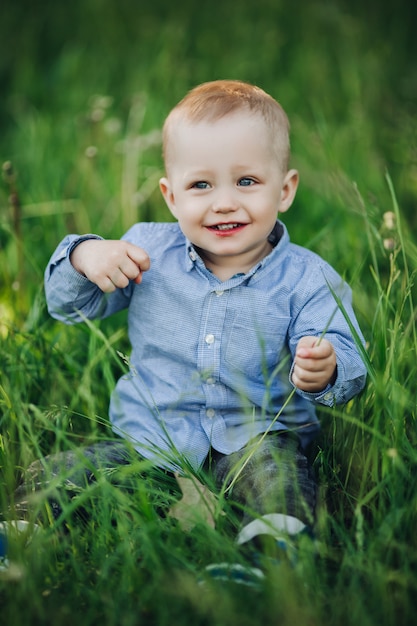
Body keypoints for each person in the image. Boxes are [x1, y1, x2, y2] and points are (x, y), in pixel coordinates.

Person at [12, 80, 367, 580]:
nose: (224, 202)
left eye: (246, 182)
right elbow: (72, 307)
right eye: (202, 185)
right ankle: (19, 536)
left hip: (257, 436)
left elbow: (349, 355)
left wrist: (327, 367)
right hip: (149, 440)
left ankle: (267, 562)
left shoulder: (308, 278)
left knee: (279, 482)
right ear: (171, 194)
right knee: (66, 472)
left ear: (284, 190)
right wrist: (83, 255)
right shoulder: (145, 251)